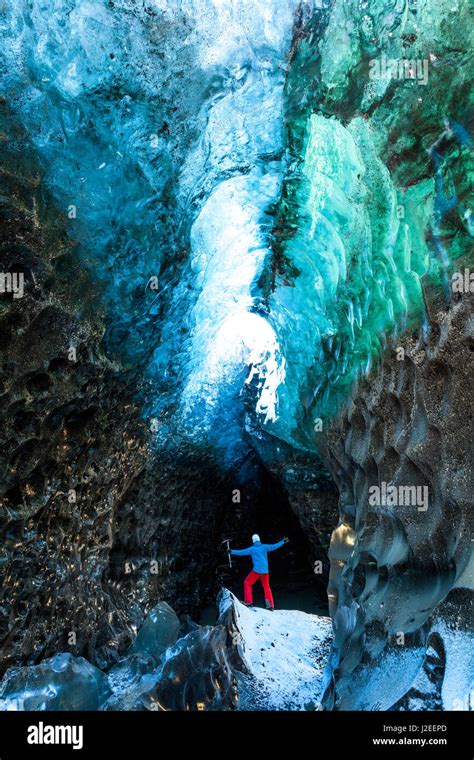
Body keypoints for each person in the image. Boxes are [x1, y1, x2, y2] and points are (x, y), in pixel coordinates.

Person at [230, 534, 289, 611]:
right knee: (266, 587)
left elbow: (241, 552)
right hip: (265, 571)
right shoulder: (264, 547)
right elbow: (274, 546)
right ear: (259, 539)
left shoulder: (252, 549)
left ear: (253, 540)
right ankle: (270, 606)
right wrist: (283, 542)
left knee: (247, 583)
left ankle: (249, 602)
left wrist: (231, 551)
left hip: (257, 571)